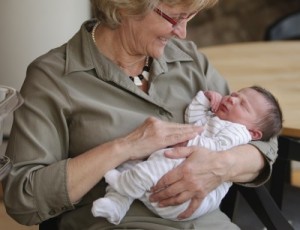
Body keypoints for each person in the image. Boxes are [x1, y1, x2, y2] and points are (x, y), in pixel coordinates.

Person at [3, 1, 279, 229]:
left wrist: (222, 164)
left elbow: (263, 138)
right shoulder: (53, 78)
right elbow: (23, 199)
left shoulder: (189, 59)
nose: (182, 32)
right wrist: (125, 146)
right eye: (174, 18)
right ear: (127, 7)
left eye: (190, 16)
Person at [91, 86, 283, 225]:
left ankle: (124, 186)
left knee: (149, 168)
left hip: (185, 199)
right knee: (131, 165)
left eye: (243, 105)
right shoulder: (214, 119)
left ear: (254, 133)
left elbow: (215, 148)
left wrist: (189, 142)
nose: (232, 99)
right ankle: (117, 205)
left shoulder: (239, 133)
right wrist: (206, 100)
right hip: (169, 181)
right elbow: (192, 117)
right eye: (234, 94)